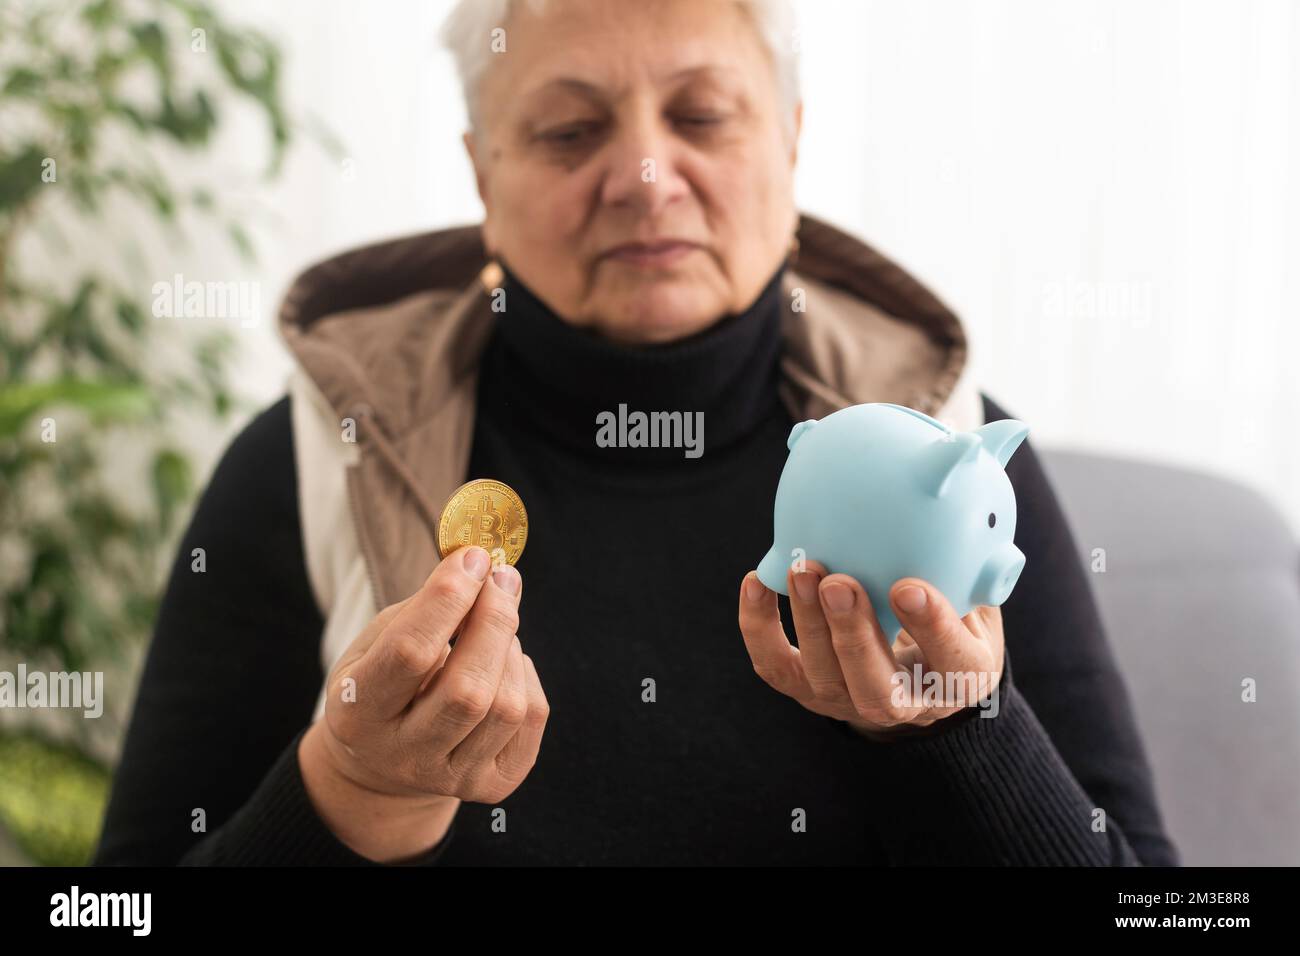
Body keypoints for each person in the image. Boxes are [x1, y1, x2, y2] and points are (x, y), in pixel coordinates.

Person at [93, 0, 1179, 866]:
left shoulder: (954, 452)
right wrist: (352, 795)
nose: (646, 177)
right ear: (483, 173)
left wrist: (954, 731)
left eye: (702, 116)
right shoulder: (309, 455)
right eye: (570, 131)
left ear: (790, 141)